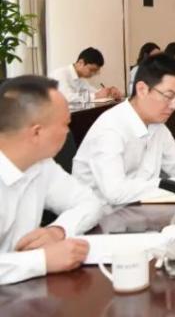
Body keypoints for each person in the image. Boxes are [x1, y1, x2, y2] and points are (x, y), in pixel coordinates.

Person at [72, 54, 175, 206]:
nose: (174, 106)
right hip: (101, 216)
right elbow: (115, 192)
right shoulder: (110, 128)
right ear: (142, 89)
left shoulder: (156, 124)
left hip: (137, 208)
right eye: (169, 96)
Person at [1, 76, 105, 285]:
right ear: (37, 132)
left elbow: (89, 202)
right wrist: (41, 260)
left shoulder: (41, 164)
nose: (68, 132)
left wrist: (58, 231)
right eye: (65, 124)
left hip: (23, 290)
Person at [49, 47, 122, 103]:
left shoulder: (80, 78)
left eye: (96, 71)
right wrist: (96, 96)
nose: (94, 74)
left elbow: (93, 91)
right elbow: (67, 98)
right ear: (81, 63)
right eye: (92, 70)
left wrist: (109, 91)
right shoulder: (60, 74)